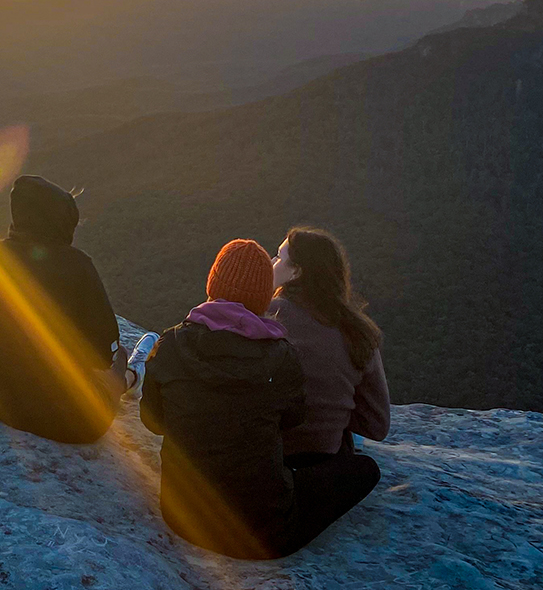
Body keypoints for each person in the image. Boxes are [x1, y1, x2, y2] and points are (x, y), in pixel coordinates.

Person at [140, 239, 380, 559]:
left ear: (213, 284)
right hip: (263, 535)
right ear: (263, 297)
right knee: (364, 469)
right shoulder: (280, 356)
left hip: (181, 517)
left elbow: (152, 420)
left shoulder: (170, 343)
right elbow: (292, 421)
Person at [0, 175, 126, 443]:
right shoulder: (78, 265)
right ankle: (129, 378)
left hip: (2, 400)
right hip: (74, 419)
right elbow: (101, 354)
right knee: (121, 358)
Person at [270, 228, 391, 460]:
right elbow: (377, 425)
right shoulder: (359, 332)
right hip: (325, 465)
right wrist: (335, 412)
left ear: (296, 273)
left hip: (271, 462)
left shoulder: (266, 316)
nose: (272, 261)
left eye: (279, 257)